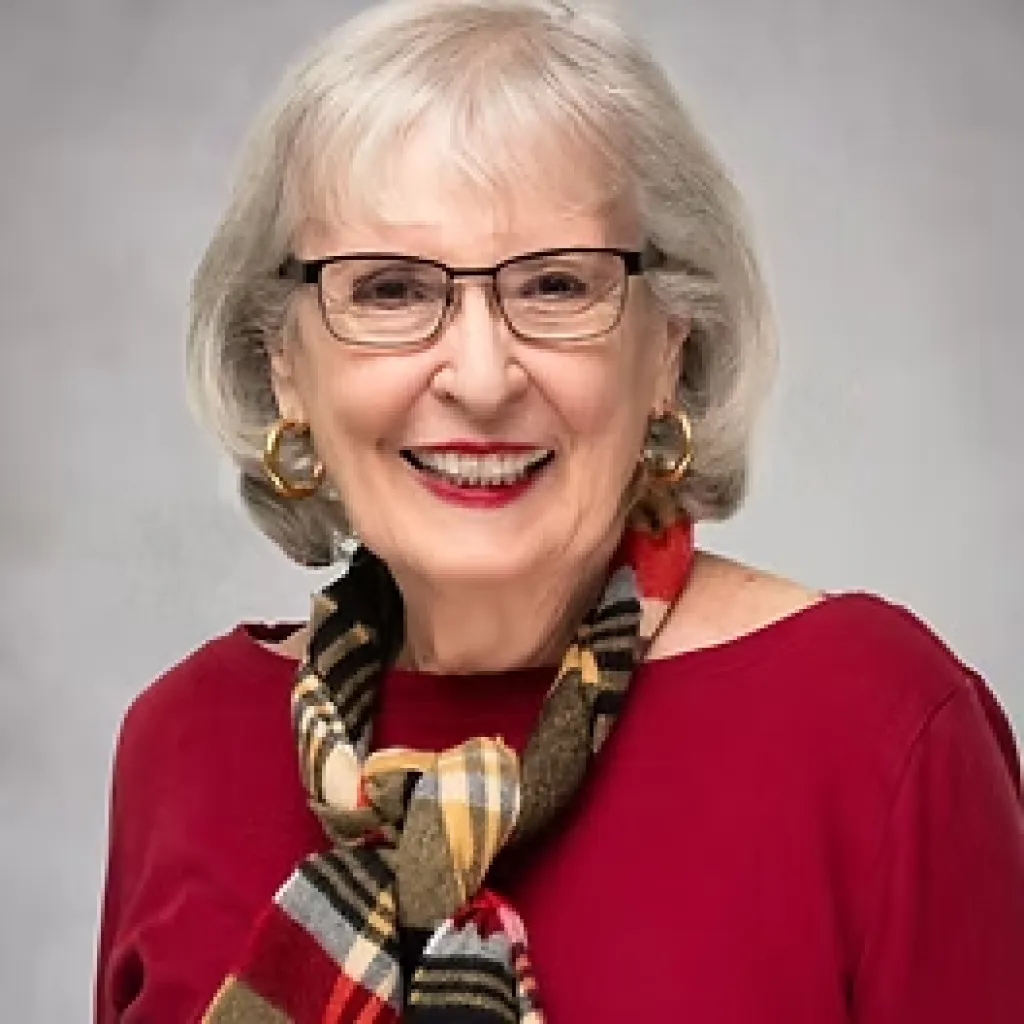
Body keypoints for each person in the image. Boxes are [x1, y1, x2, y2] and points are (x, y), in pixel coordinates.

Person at [94, 0, 1024, 1020]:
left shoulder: (874, 725)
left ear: (668, 345)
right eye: (392, 291)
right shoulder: (185, 745)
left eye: (554, 285)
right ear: (283, 364)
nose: (482, 377)